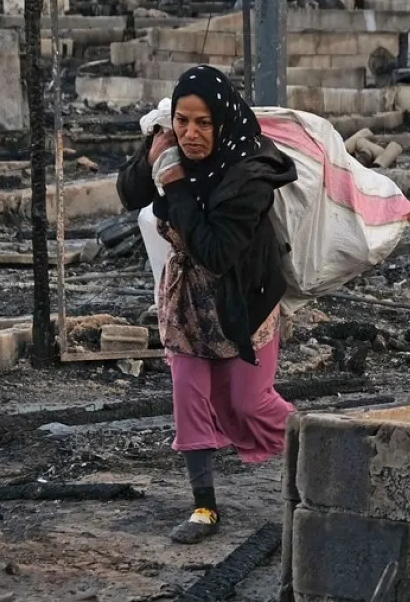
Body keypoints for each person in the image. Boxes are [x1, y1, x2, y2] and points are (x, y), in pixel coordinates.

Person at [116, 65, 298, 545]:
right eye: (182, 121)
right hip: (186, 299)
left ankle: (323, 453)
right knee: (189, 395)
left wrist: (174, 182)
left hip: (243, 298)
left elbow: (216, 252)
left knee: (248, 403)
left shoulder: (250, 175)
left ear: (222, 121)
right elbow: (130, 193)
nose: (190, 134)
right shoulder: (169, 145)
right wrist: (150, 159)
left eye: (203, 123)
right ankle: (204, 506)